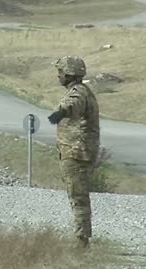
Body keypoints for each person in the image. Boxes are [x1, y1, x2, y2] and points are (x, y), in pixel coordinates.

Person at [48, 56, 100, 249]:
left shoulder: (78, 92)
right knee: (77, 195)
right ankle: (82, 237)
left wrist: (62, 112)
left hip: (77, 153)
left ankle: (81, 240)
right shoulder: (83, 90)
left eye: (60, 73)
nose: (58, 76)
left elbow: (73, 104)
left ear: (69, 75)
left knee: (78, 196)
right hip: (76, 151)